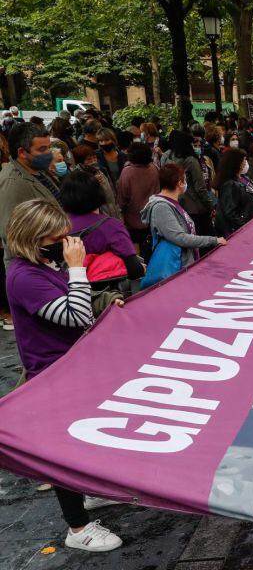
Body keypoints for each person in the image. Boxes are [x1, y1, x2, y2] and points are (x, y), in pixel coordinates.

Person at [4, 199, 126, 552]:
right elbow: (74, 314)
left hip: (70, 364)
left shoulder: (43, 264)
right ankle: (77, 527)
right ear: (35, 237)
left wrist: (105, 300)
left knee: (81, 436)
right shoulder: (25, 277)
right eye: (59, 237)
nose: (67, 242)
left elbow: (80, 303)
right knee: (59, 448)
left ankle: (88, 491)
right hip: (53, 371)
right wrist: (77, 269)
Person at [59, 170, 144, 285]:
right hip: (110, 291)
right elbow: (134, 270)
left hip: (74, 288)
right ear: (98, 193)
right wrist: (142, 268)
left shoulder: (59, 227)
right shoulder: (111, 226)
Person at [141, 164, 225, 269]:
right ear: (180, 183)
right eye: (185, 180)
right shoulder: (161, 208)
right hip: (175, 267)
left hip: (182, 263)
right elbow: (180, 238)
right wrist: (213, 240)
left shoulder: (172, 203)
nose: (186, 184)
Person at [0, 123, 61, 264]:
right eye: (42, 149)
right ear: (22, 152)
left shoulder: (37, 170)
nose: (48, 153)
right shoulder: (12, 183)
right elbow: (10, 234)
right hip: (33, 265)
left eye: (49, 147)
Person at [159, 129, 215, 236]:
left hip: (176, 205)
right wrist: (210, 205)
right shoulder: (190, 160)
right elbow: (200, 187)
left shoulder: (166, 157)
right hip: (196, 209)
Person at [116, 142, 160, 261]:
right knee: (151, 245)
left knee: (136, 247)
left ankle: (140, 271)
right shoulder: (154, 168)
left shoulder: (127, 172)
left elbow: (122, 197)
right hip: (152, 216)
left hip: (133, 217)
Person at [213, 149, 253, 236]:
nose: (246, 163)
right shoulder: (230, 185)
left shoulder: (244, 178)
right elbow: (230, 213)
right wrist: (246, 226)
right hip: (241, 230)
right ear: (236, 163)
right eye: (243, 160)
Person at [70, 144, 121, 220]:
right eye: (89, 159)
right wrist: (93, 182)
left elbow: (112, 189)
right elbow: (83, 199)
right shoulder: (78, 177)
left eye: (94, 158)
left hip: (112, 209)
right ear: (80, 162)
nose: (93, 161)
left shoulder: (101, 170)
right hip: (97, 217)